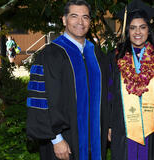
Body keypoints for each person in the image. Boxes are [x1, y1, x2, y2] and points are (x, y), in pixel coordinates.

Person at [26, 0, 109, 160]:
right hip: (64, 141)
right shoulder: (50, 54)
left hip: (95, 139)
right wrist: (56, 139)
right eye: (74, 16)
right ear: (64, 20)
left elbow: (107, 95)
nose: (80, 22)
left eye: (85, 17)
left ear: (90, 22)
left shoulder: (97, 54)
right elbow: (40, 99)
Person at [107, 0, 154, 159]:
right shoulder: (115, 58)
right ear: (127, 31)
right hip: (122, 125)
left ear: (149, 30)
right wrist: (109, 124)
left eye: (142, 27)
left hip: (152, 126)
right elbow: (109, 94)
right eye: (133, 28)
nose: (138, 32)